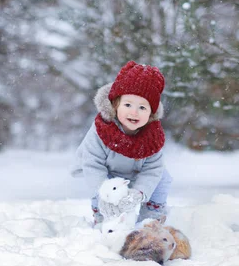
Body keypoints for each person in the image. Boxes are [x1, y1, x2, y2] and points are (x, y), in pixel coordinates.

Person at [72, 61, 172, 226]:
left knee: (163, 177)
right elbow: (93, 165)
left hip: (136, 172)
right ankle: (103, 217)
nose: (134, 112)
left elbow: (153, 169)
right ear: (115, 105)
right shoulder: (101, 130)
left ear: (151, 113)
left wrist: (138, 194)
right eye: (127, 105)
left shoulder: (153, 137)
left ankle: (151, 218)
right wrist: (103, 193)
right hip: (107, 172)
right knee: (103, 187)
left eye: (142, 107)